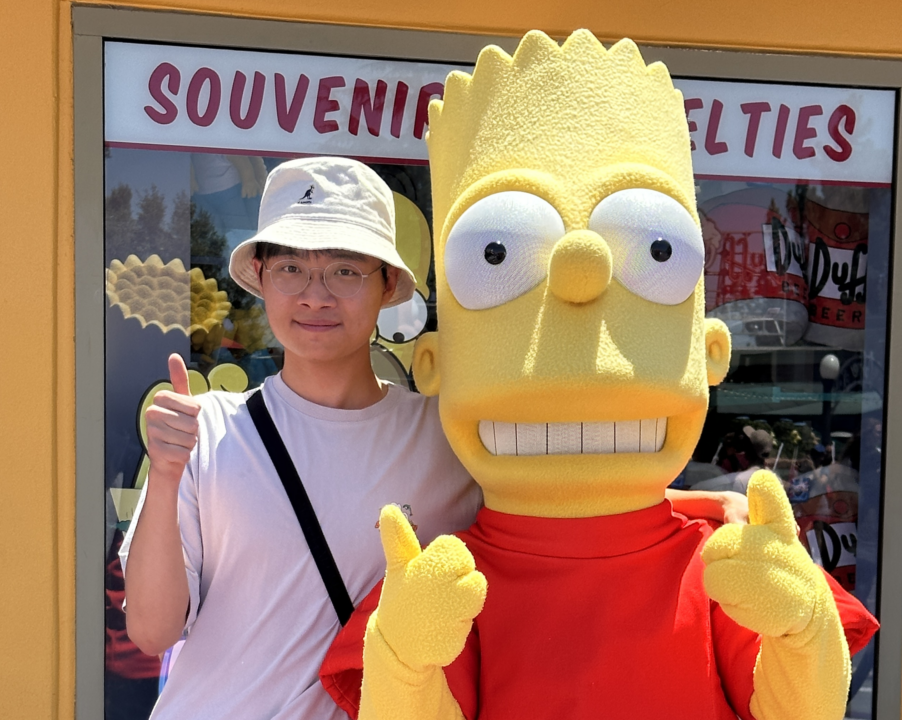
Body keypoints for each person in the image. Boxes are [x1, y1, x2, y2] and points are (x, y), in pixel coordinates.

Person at [121, 155, 745, 720]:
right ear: (259, 277)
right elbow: (153, 630)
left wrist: (709, 505)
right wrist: (167, 472)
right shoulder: (209, 430)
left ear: (387, 286)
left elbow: (557, 503)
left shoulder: (443, 433)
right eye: (290, 268)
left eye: (344, 270)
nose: (315, 295)